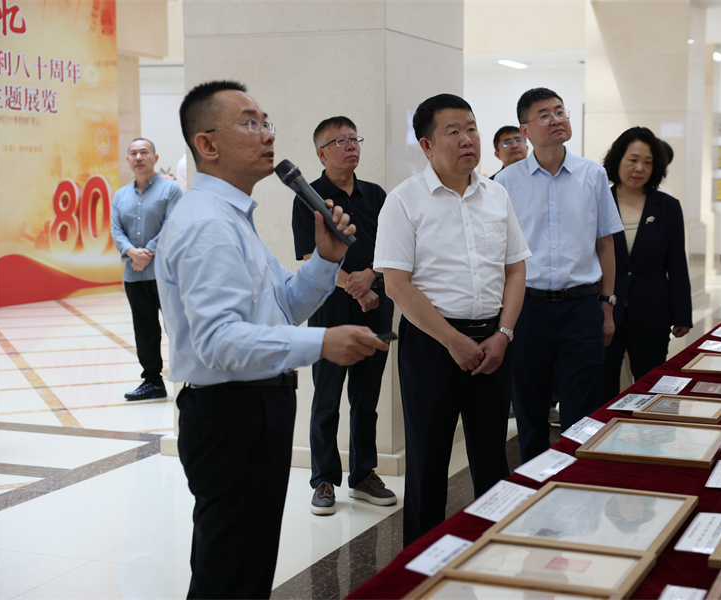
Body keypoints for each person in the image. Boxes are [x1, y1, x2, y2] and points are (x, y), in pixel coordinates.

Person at [155, 80, 388, 599]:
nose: (267, 134)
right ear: (207, 144)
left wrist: (326, 259)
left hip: (255, 406)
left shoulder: (233, 217)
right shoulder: (206, 224)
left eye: (266, 122)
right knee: (229, 574)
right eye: (249, 123)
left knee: (248, 564)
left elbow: (283, 304)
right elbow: (219, 340)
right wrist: (321, 343)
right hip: (230, 412)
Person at [374, 93, 530, 546]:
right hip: (431, 345)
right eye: (454, 131)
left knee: (492, 459)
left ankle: (491, 553)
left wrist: (503, 334)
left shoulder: (497, 195)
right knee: (428, 461)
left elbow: (516, 270)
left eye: (472, 128)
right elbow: (397, 285)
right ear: (426, 145)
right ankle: (420, 567)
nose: (467, 139)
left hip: (493, 342)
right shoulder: (404, 201)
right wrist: (452, 340)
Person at [495, 87, 623, 463]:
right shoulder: (506, 183)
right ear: (525, 129)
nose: (556, 120)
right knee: (530, 407)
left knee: (582, 409)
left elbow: (605, 244)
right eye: (544, 115)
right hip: (527, 308)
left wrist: (607, 304)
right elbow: (498, 254)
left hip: (582, 306)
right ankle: (533, 481)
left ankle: (574, 478)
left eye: (560, 111)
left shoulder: (592, 175)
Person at [292, 116, 395, 516]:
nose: (351, 146)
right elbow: (308, 256)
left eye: (355, 139)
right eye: (340, 141)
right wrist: (356, 286)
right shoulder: (309, 197)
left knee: (367, 398)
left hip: (377, 304)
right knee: (327, 397)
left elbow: (391, 249)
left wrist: (371, 280)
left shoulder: (376, 195)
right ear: (321, 153)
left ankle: (364, 474)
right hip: (329, 306)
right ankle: (323, 479)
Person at [601, 127, 692, 402]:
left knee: (651, 389)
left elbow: (677, 263)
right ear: (618, 159)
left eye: (648, 162)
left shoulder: (667, 206)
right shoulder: (599, 201)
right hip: (604, 313)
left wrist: (682, 314)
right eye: (633, 159)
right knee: (602, 388)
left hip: (652, 313)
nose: (639, 168)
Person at [110, 138, 181, 401]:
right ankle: (152, 382)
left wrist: (147, 252)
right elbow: (116, 229)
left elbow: (172, 224)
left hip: (166, 274)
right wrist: (131, 252)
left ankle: (190, 379)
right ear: (128, 159)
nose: (138, 157)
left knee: (177, 326)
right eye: (133, 153)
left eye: (144, 152)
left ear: (155, 157)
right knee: (145, 329)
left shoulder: (171, 190)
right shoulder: (120, 196)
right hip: (134, 275)